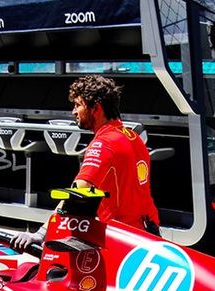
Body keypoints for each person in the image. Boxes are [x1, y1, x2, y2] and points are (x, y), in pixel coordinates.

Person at [13, 75, 159, 248]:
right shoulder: (133, 137)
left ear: (95, 108)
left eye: (77, 105)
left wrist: (41, 233)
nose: (73, 112)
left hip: (123, 238)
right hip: (150, 230)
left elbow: (75, 195)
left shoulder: (103, 143)